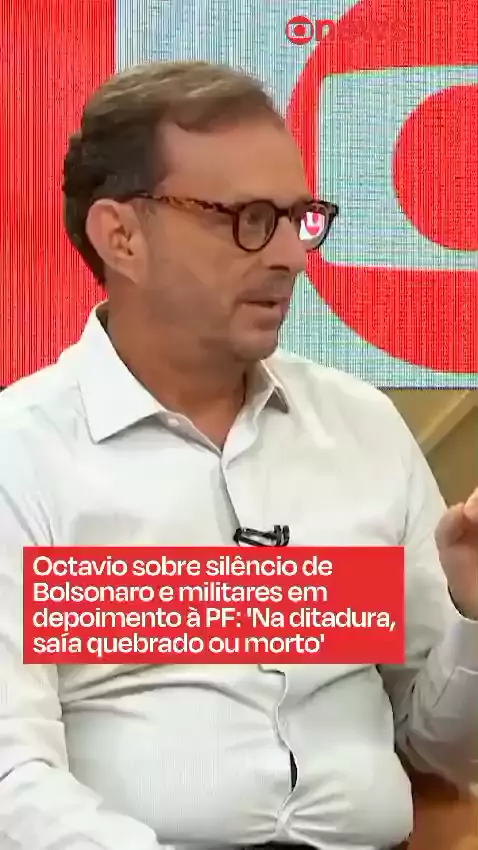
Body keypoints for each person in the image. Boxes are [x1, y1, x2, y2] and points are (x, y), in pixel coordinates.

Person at [0, 60, 476, 850]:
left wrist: (473, 616)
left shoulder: (361, 428)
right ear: (121, 236)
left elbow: (445, 751)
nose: (291, 255)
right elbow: (12, 777)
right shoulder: (21, 455)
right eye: (250, 218)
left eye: (298, 218)